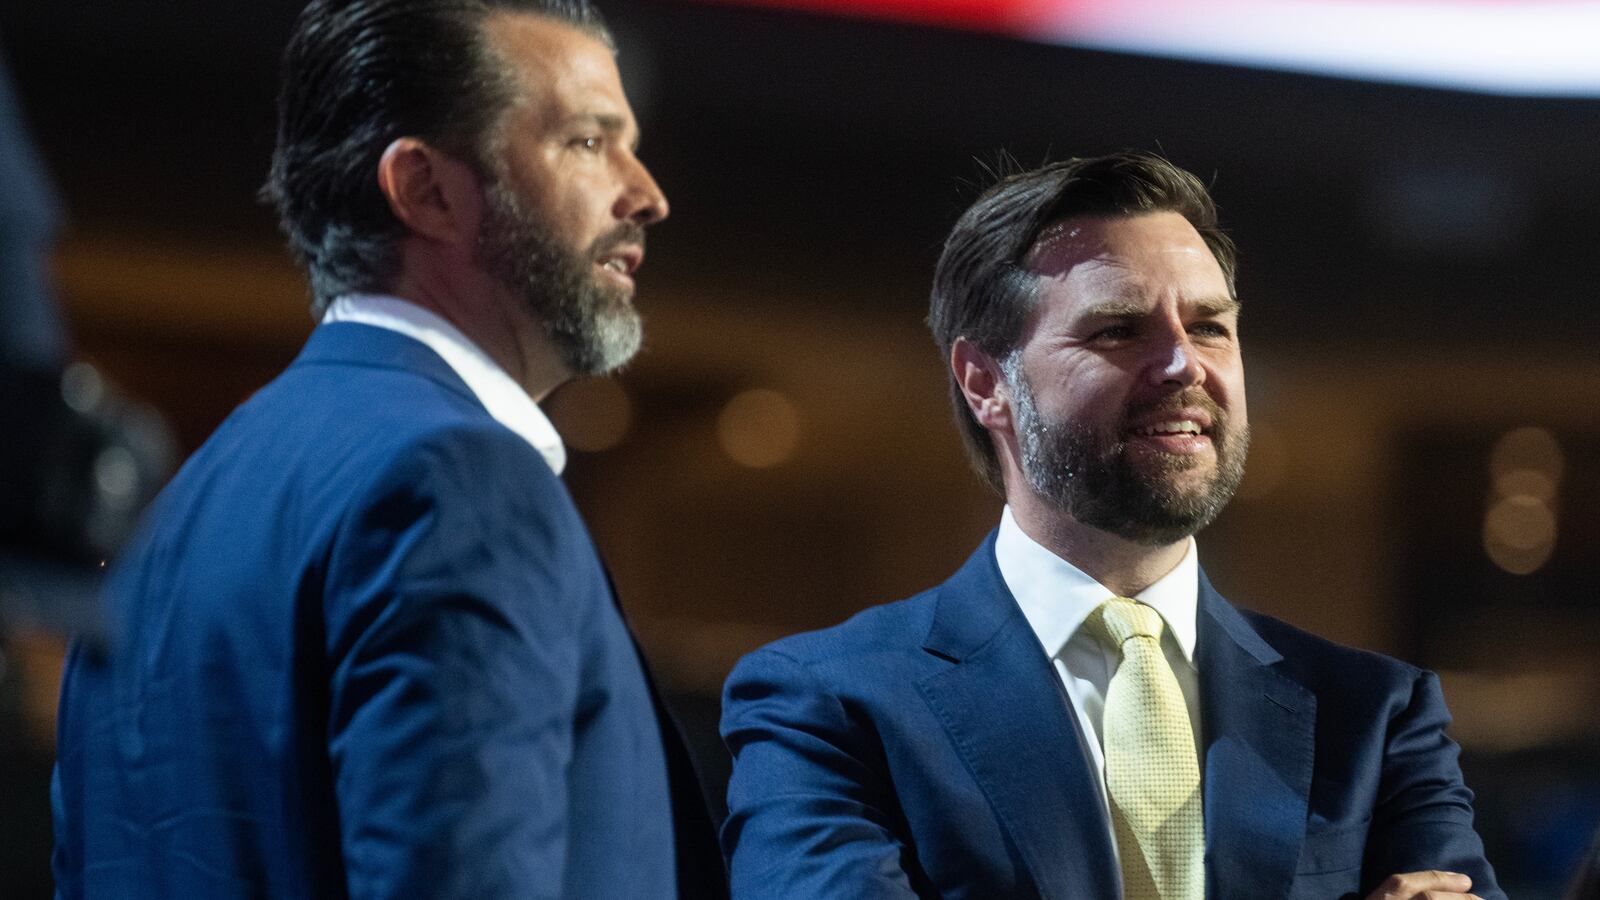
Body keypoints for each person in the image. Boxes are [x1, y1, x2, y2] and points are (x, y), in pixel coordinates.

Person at [51, 1, 726, 897]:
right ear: (425, 189)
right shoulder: (462, 484)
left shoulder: (163, 527)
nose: (647, 193)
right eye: (589, 141)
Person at [720, 151, 1502, 899]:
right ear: (986, 382)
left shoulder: (1375, 716)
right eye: (1119, 330)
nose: (1184, 364)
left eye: (1209, 326)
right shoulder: (826, 705)